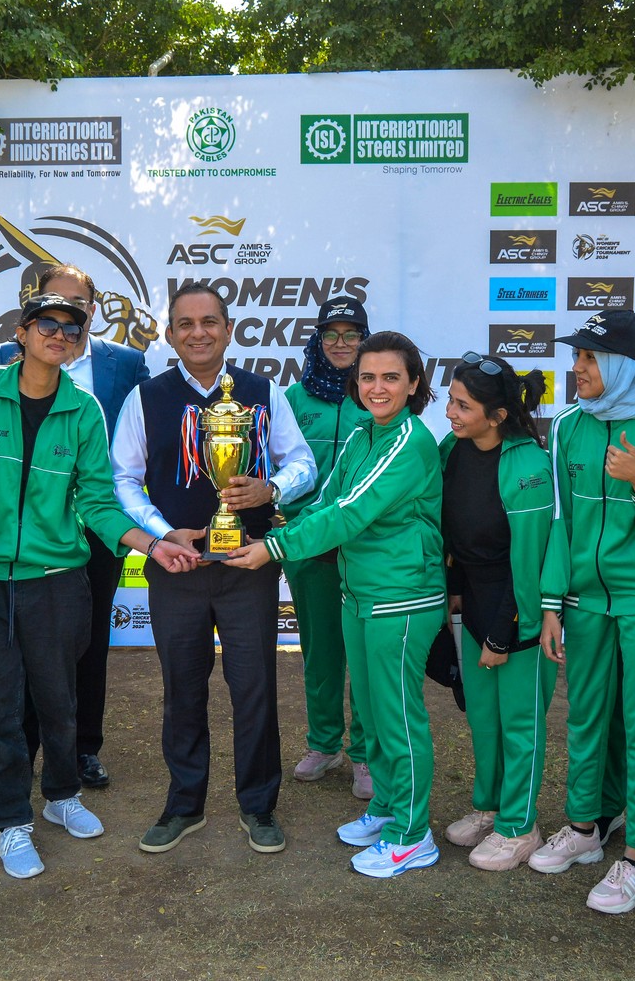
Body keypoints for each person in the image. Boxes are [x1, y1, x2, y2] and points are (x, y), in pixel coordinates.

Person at [0, 293, 201, 878]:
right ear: (22, 332)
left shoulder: (85, 408)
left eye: (72, 328)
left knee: (60, 699)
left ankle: (62, 795)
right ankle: (12, 823)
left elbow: (96, 501)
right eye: (47, 324)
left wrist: (154, 544)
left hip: (57, 580)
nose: (60, 335)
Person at [228, 331, 446, 879]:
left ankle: (412, 835)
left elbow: (351, 513)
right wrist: (271, 532)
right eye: (367, 377)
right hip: (360, 592)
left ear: (413, 384)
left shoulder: (410, 442)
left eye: (391, 377)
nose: (377, 387)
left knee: (397, 718)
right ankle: (389, 806)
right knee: (373, 714)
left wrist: (274, 548)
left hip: (402, 596)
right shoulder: (362, 434)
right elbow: (326, 501)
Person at [111, 283, 316, 855]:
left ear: (228, 330)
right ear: (170, 334)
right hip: (176, 567)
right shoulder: (146, 397)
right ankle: (184, 804)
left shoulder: (261, 392)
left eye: (209, 322)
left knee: (255, 687)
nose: (198, 333)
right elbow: (122, 479)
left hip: (247, 565)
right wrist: (160, 533)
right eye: (186, 324)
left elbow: (303, 462)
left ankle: (259, 805)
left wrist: (272, 488)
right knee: (181, 688)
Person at [528, 309, 635, 914]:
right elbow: (560, 522)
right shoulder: (568, 425)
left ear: (621, 365)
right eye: (577, 356)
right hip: (584, 601)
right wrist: (552, 604)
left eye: (589, 357)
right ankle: (585, 828)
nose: (577, 368)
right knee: (585, 718)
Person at [0, 263, 151, 790]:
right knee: (22, 649)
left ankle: (84, 749)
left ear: (92, 310)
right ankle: (20, 752)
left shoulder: (126, 362)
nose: (63, 322)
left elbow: (142, 439)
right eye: (52, 309)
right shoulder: (4, 360)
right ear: (31, 318)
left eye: (77, 306)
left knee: (88, 642)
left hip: (100, 524)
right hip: (31, 529)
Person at [437, 354, 568, 871]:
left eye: (462, 405)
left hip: (517, 611)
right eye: (451, 400)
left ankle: (519, 825)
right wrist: (454, 594)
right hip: (473, 600)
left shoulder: (528, 464)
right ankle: (489, 808)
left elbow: (528, 563)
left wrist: (502, 633)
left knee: (519, 723)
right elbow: (452, 534)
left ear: (497, 416)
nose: (450, 412)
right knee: (483, 719)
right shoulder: (454, 448)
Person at [282, 297, 372, 799]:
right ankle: (324, 743)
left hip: (364, 545)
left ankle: (364, 753)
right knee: (320, 650)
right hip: (309, 544)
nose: (341, 343)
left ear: (364, 340)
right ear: (317, 340)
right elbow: (278, 465)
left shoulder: (375, 394)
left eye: (351, 334)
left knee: (364, 653)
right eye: (331, 334)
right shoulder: (294, 398)